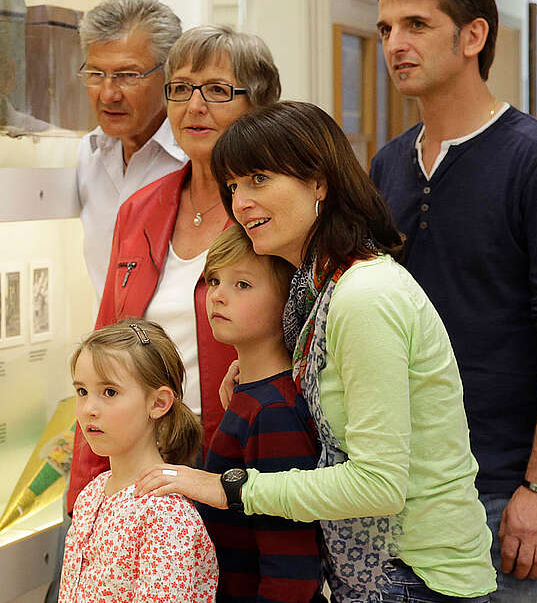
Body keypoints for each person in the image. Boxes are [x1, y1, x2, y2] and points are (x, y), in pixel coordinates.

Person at [136, 101, 495, 603]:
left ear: (319, 183)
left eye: (259, 179)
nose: (241, 203)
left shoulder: (362, 295)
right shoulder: (319, 290)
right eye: (234, 186)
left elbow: (378, 485)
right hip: (378, 573)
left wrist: (232, 488)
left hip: (415, 577)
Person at [368, 0, 537, 600]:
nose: (395, 43)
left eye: (415, 23)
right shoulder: (388, 165)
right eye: (386, 28)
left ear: (472, 37)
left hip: (502, 488)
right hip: (399, 485)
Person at [70, 24, 282, 515]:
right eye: (181, 89)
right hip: (138, 471)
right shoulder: (141, 207)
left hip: (239, 467)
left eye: (217, 90)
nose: (194, 106)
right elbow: (105, 347)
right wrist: (84, 488)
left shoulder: (270, 214)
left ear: (260, 103)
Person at [199, 226, 323, 603]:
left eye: (243, 285)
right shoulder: (249, 395)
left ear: (287, 302)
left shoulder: (273, 411)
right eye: (214, 280)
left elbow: (291, 571)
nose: (218, 296)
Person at [62, 319, 217, 603]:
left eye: (109, 392)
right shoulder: (91, 495)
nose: (89, 410)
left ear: (158, 403)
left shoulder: (166, 516)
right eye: (82, 392)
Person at [75, 0, 187, 299]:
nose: (109, 93)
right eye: (96, 74)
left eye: (127, 76)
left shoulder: (194, 159)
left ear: (169, 74)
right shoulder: (89, 154)